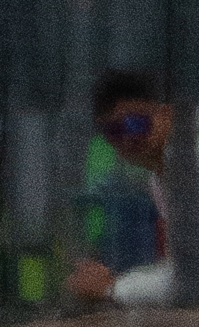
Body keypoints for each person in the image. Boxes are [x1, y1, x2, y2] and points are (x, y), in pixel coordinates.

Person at [67, 65, 176, 309]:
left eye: (135, 123)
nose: (128, 137)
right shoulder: (157, 178)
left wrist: (113, 288)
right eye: (114, 130)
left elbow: (193, 278)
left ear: (166, 115)